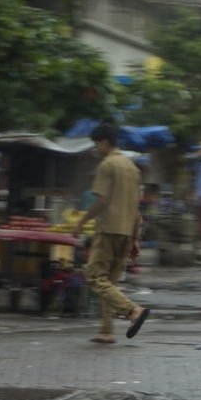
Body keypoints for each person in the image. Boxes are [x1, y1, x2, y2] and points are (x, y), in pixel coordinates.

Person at [71, 124, 149, 343]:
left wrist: (81, 222)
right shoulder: (132, 166)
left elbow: (102, 200)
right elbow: (136, 206)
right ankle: (106, 330)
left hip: (108, 229)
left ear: (104, 142)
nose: (96, 148)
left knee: (95, 277)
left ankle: (133, 310)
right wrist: (135, 238)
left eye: (96, 144)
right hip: (125, 231)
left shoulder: (108, 164)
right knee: (109, 284)